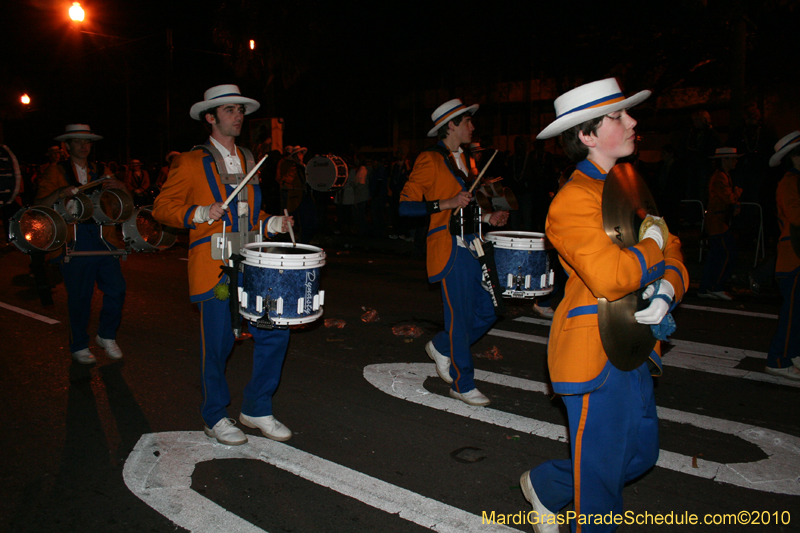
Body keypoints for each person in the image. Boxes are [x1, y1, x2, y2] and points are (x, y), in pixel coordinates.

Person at [519, 79, 688, 533]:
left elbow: (675, 249)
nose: (632, 121)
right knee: (600, 487)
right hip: (595, 348)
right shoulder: (572, 201)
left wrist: (669, 286)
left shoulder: (629, 187)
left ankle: (548, 485)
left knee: (639, 456)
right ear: (588, 135)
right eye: (618, 116)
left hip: (635, 342)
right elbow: (612, 276)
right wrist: (654, 250)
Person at [153, 84, 295, 446]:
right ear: (210, 117)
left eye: (240, 111)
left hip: (251, 261)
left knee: (275, 330)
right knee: (217, 345)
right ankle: (214, 415)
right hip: (213, 264)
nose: (238, 116)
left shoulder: (250, 160)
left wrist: (272, 224)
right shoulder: (188, 162)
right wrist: (197, 212)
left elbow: (248, 215)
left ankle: (257, 407)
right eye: (230, 110)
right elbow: (162, 208)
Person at [399, 98, 509, 407]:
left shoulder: (467, 161)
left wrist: (487, 218)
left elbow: (465, 208)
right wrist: (444, 204)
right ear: (451, 125)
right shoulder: (430, 160)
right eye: (467, 121)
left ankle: (441, 345)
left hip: (473, 245)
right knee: (460, 319)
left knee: (491, 308)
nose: (473, 126)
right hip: (449, 249)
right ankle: (463, 384)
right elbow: (405, 206)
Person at [35, 124, 128, 364]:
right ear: (67, 146)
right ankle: (78, 344)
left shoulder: (102, 170)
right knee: (80, 297)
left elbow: (119, 204)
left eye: (87, 142)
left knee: (116, 289)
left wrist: (121, 187)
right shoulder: (55, 171)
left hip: (103, 239)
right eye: (77, 142)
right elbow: (40, 206)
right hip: (74, 240)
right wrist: (59, 192)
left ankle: (106, 335)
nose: (83, 146)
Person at [765, 131, 800, 381]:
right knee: (793, 312)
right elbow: (796, 216)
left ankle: (792, 355)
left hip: (794, 255)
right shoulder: (790, 181)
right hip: (793, 256)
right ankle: (779, 359)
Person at [698, 147, 743, 300]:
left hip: (718, 221)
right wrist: (737, 193)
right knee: (727, 253)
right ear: (724, 160)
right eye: (733, 159)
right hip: (718, 222)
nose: (735, 161)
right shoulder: (720, 178)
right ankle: (715, 286)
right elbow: (728, 198)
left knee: (716, 255)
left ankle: (706, 288)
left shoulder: (722, 176)